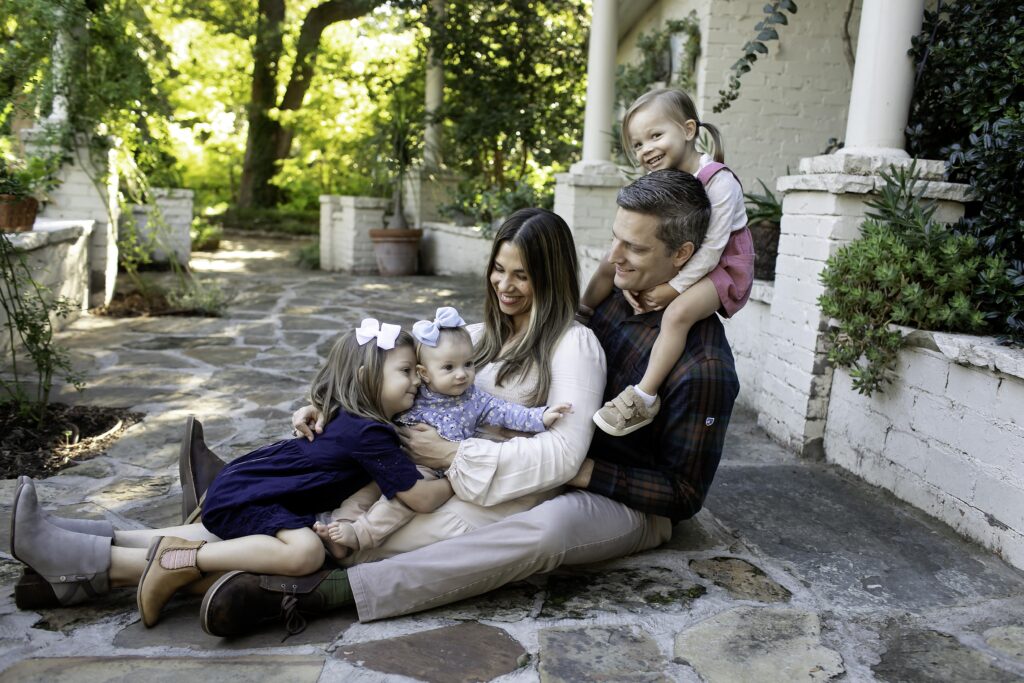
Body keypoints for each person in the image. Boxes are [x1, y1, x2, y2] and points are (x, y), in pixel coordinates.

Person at [199, 169, 739, 636]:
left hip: (618, 494)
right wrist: (327, 401)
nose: (614, 258)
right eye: (616, 240)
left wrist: (562, 471)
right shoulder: (621, 294)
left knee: (528, 527)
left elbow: (684, 493)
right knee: (391, 459)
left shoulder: (702, 368)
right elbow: (439, 356)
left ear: (682, 255)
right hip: (537, 461)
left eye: (634, 248)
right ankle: (259, 496)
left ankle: (323, 584)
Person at [8, 320, 453, 629]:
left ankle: (70, 539)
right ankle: (177, 561)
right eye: (404, 372)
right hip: (257, 493)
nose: (416, 380)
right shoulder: (372, 432)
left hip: (250, 486)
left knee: (227, 541)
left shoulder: (353, 414)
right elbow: (417, 498)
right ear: (365, 378)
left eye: (417, 371)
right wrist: (457, 475)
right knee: (304, 553)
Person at [317, 305, 572, 559]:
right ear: (424, 373)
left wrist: (540, 417)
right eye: (449, 368)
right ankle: (339, 525)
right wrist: (318, 408)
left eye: (468, 364)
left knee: (398, 504)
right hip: (394, 460)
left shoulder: (476, 400)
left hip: (428, 469)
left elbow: (508, 412)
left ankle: (361, 535)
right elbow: (378, 394)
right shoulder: (415, 392)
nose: (462, 375)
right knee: (366, 491)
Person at [582, 88, 754, 437]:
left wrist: (670, 289)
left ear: (688, 130)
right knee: (606, 263)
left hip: (725, 266)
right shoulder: (666, 177)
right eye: (638, 144)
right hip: (690, 256)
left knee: (677, 315)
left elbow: (710, 250)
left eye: (656, 136)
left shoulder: (719, 182)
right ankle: (580, 313)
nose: (647, 150)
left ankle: (643, 397)